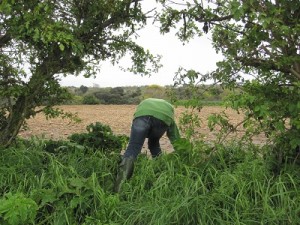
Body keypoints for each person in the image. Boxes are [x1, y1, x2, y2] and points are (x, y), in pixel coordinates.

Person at [114, 98, 181, 193]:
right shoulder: (168, 107)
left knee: (133, 147)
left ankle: (118, 189)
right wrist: (183, 152)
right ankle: (160, 173)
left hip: (142, 116)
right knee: (154, 144)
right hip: (164, 118)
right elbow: (175, 137)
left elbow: (136, 119)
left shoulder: (145, 103)